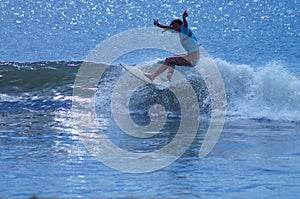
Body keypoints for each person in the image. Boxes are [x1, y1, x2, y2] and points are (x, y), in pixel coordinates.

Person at [145, 10, 200, 81]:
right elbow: (168, 27)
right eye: (174, 27)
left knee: (168, 60)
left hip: (192, 60)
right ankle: (169, 79)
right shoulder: (179, 31)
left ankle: (153, 76)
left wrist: (184, 18)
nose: (175, 29)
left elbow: (185, 25)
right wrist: (158, 24)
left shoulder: (184, 30)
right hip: (192, 58)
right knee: (173, 58)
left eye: (176, 27)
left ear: (181, 25)